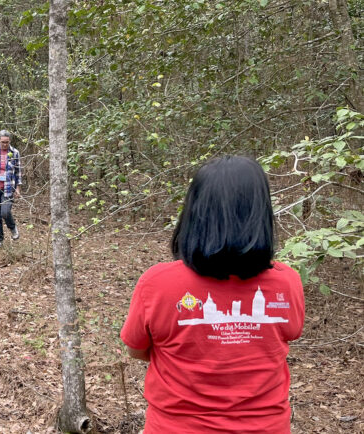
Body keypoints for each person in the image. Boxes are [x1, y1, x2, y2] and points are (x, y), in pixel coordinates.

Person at [120, 156, 305, 433]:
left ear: (194, 213)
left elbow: (136, 350)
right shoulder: (286, 282)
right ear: (260, 214)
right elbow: (284, 337)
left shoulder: (157, 283)